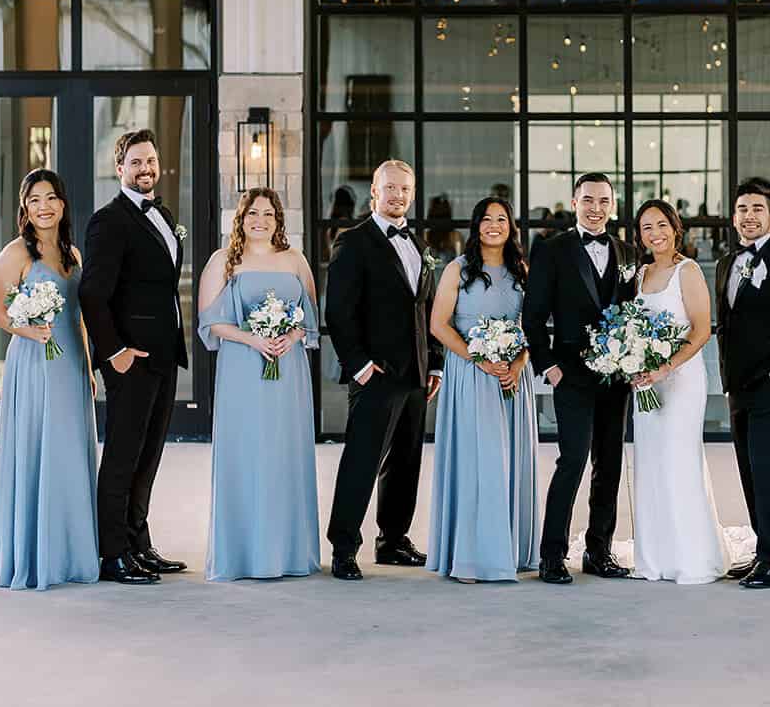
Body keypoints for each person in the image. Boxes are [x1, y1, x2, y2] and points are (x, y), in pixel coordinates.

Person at [323, 159, 443, 580]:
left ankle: (392, 540)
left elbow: (426, 310)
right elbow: (338, 310)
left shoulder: (419, 245)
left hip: (416, 374)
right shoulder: (352, 242)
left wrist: (436, 364)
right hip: (375, 373)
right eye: (389, 188)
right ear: (374, 192)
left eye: (404, 189)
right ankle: (343, 546)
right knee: (363, 460)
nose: (397, 196)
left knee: (406, 460)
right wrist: (358, 365)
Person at [79, 129, 190, 585]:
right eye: (136, 163)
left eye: (151, 161)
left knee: (148, 456)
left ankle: (138, 543)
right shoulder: (109, 220)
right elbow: (92, 292)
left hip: (163, 355)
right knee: (123, 456)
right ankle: (112, 553)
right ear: (119, 168)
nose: (145, 169)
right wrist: (115, 353)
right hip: (131, 359)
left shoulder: (162, 214)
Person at [196, 187, 320, 581]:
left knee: (284, 451)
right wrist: (254, 338)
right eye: (252, 213)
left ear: (279, 219)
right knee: (247, 452)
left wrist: (293, 336)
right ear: (241, 218)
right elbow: (208, 323)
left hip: (288, 373)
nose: (260, 220)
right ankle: (244, 553)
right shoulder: (223, 261)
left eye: (268, 213)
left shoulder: (295, 260)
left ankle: (288, 552)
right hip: (242, 371)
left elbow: (311, 318)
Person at [0, 169, 99, 590]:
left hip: (69, 362)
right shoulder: (14, 254)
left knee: (69, 451)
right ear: (25, 208)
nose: (44, 206)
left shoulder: (74, 255)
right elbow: (0, 313)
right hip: (34, 363)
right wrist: (28, 329)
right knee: (38, 448)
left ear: (63, 203)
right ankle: (36, 558)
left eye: (51, 197)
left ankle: (70, 554)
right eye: (35, 200)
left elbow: (79, 318)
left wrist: (87, 368)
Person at [524, 172, 637, 585]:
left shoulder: (628, 252)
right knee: (572, 460)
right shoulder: (552, 250)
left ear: (613, 204)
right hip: (569, 374)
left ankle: (599, 551)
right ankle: (552, 555)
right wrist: (548, 366)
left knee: (608, 465)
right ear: (574, 202)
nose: (596, 208)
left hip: (617, 377)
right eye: (588, 200)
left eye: (603, 201)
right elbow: (533, 316)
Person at [426, 197, 539, 582]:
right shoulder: (457, 270)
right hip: (471, 376)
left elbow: (532, 327)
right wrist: (480, 359)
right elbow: (439, 325)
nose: (494, 225)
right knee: (478, 462)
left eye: (502, 219)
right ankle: (472, 556)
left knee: (508, 462)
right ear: (476, 226)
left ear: (511, 226)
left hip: (511, 378)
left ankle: (508, 549)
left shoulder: (522, 270)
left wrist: (519, 364)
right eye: (487, 219)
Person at [629, 199, 729, 585]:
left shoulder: (687, 271)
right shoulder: (639, 275)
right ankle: (655, 558)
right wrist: (634, 363)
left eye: (661, 225)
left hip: (681, 380)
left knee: (678, 461)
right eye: (646, 228)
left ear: (675, 227)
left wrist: (665, 367)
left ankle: (690, 556)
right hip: (645, 383)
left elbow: (701, 330)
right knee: (651, 463)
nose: (655, 234)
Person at [715, 177, 770, 590]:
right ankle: (767, 550)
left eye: (757, 209)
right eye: (742, 210)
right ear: (734, 219)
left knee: (765, 466)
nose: (749, 216)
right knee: (747, 468)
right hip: (738, 383)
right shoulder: (725, 263)